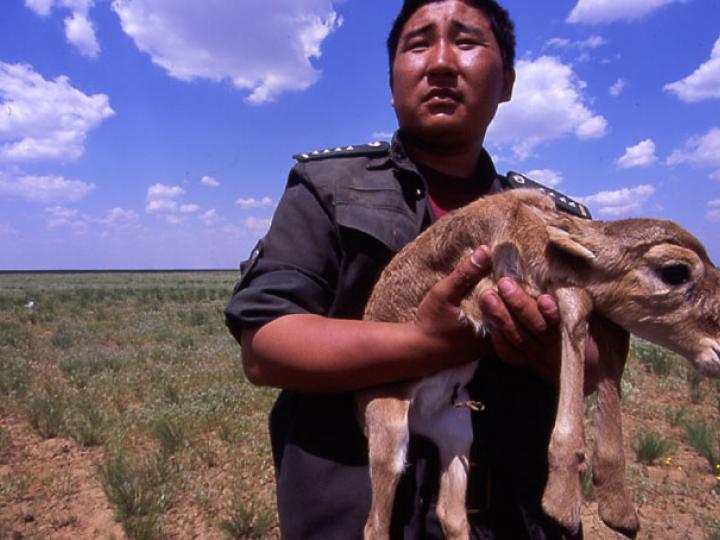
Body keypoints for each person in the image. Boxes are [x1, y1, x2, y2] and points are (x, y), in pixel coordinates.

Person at [226, 0, 608, 537]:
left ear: (507, 83)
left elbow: (596, 365)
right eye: (419, 42)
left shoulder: (549, 219)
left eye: (468, 41)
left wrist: (549, 345)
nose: (442, 62)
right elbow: (265, 347)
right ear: (391, 81)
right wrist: (430, 343)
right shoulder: (328, 188)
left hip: (517, 522)